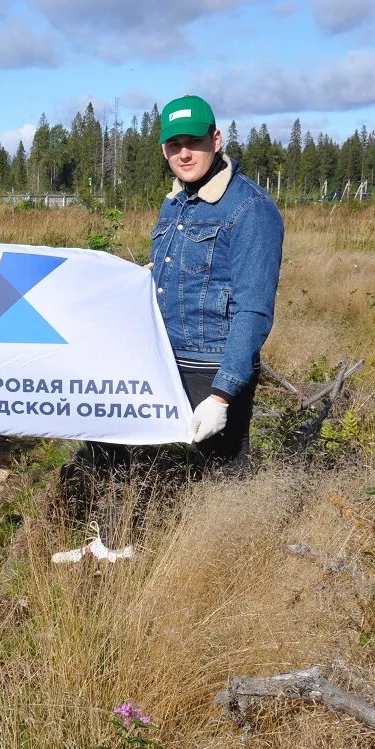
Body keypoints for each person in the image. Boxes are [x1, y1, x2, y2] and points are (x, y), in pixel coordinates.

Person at [151, 95, 284, 471]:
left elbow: (254, 310)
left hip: (211, 370)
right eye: (175, 145)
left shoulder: (250, 208)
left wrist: (221, 396)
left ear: (216, 139)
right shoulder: (174, 204)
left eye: (194, 142)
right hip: (166, 361)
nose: (185, 154)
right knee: (163, 469)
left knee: (221, 479)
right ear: (165, 150)